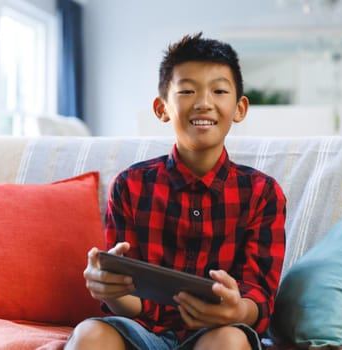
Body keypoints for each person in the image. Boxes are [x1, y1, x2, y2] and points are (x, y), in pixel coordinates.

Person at [65, 32, 286, 350]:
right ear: (162, 108)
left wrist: (237, 309)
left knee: (229, 339)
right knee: (90, 334)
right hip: (141, 331)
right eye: (187, 91)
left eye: (219, 91)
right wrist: (111, 290)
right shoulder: (130, 185)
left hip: (218, 331)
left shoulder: (262, 193)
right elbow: (132, 301)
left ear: (239, 108)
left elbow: (259, 297)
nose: (204, 103)